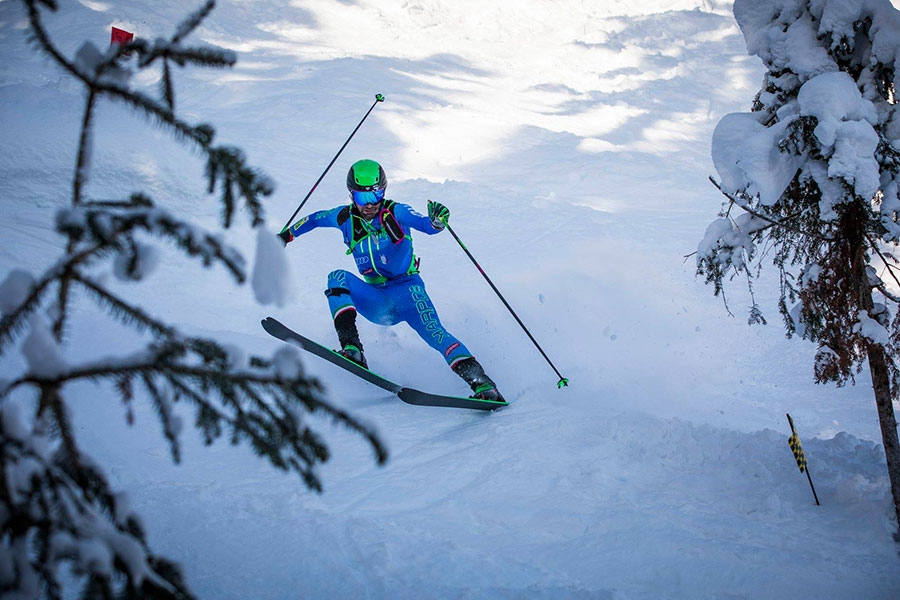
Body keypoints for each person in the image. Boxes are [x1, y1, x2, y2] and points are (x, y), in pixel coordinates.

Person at [279, 159, 505, 402]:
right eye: (363, 198)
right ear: (351, 196)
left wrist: (437, 221)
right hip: (377, 301)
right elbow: (314, 219)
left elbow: (426, 225)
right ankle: (352, 349)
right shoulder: (344, 218)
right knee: (337, 278)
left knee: (437, 334)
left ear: (384, 191)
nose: (371, 204)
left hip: (409, 293)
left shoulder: (397, 211)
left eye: (376, 195)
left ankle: (485, 387)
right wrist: (286, 236)